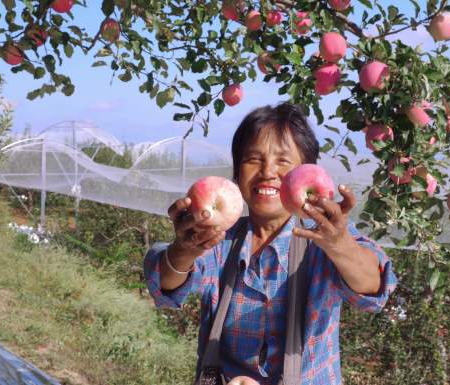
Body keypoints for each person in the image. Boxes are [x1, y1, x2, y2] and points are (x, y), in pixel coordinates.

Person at [143, 102, 397, 385]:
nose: (268, 172)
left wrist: (340, 246)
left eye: (283, 161)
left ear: (307, 172)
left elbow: (375, 289)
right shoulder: (217, 239)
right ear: (238, 173)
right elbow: (164, 287)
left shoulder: (325, 238)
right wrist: (184, 250)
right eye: (253, 158)